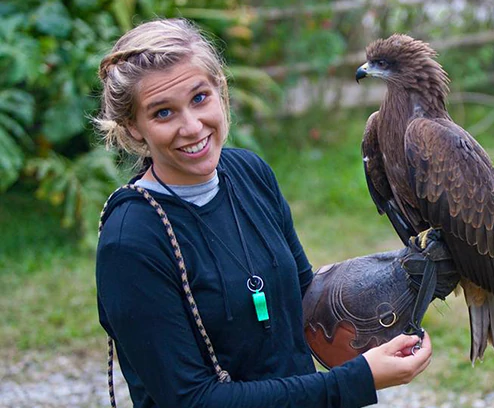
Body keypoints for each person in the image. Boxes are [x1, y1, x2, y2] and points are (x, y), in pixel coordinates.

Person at [94, 18, 434, 408]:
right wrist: (358, 380)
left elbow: (303, 296)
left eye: (199, 98)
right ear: (134, 129)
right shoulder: (132, 241)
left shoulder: (249, 173)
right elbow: (191, 400)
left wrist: (402, 277)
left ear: (220, 90)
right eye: (163, 113)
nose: (191, 126)